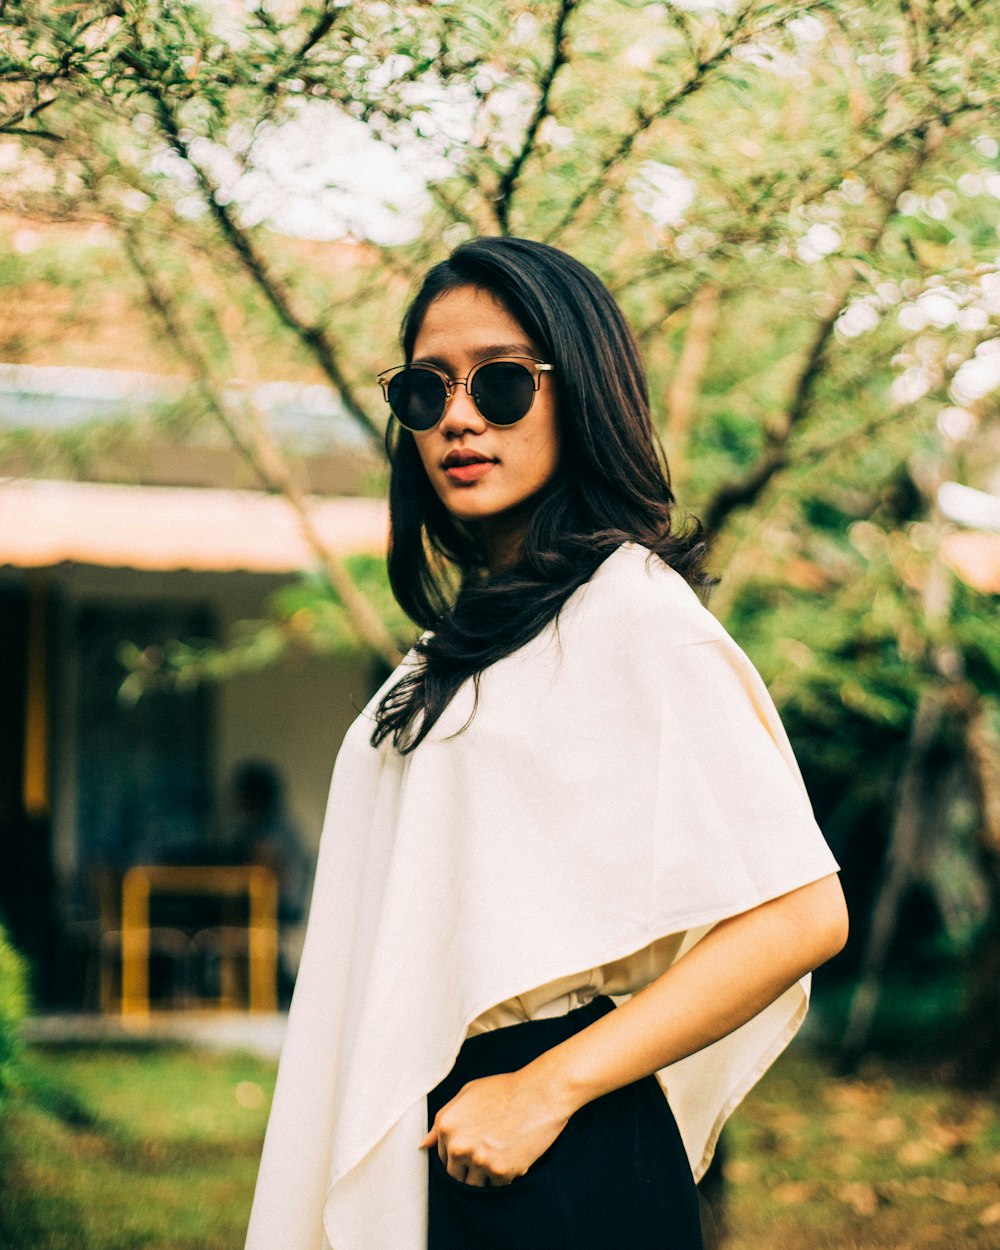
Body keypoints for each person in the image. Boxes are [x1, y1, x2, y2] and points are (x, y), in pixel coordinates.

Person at [245, 237, 848, 1250]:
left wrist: (542, 1088)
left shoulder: (630, 614)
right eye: (426, 390)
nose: (460, 416)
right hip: (446, 1130)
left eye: (501, 382)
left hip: (548, 1145)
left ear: (583, 392)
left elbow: (800, 911)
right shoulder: (454, 649)